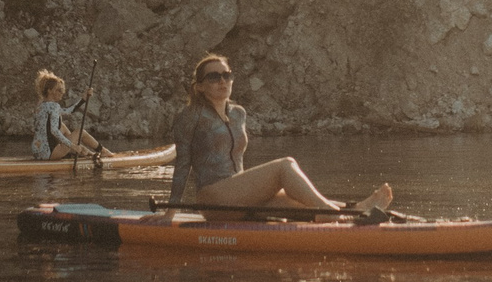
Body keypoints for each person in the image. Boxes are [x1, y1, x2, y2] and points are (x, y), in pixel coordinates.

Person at [166, 53, 392, 214]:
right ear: (200, 87)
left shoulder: (239, 114)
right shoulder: (190, 117)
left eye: (227, 75)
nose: (222, 81)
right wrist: (170, 213)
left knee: (296, 203)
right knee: (285, 165)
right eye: (214, 77)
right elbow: (182, 166)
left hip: (242, 194)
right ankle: (338, 216)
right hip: (213, 198)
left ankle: (354, 210)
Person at [30, 70, 101, 161]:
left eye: (62, 90)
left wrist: (84, 99)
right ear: (50, 91)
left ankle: (86, 152)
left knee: (62, 126)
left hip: (36, 152)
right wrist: (73, 146)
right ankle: (102, 151)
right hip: (49, 153)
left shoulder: (40, 106)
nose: (62, 93)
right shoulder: (54, 106)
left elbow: (68, 111)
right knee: (80, 132)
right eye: (59, 90)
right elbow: (54, 131)